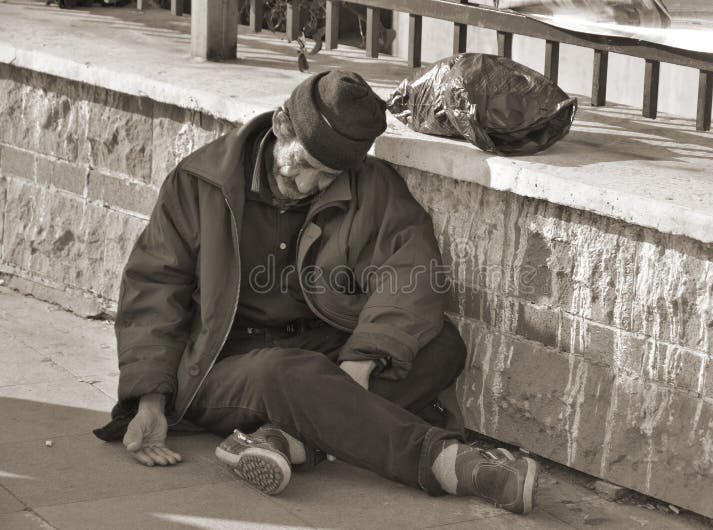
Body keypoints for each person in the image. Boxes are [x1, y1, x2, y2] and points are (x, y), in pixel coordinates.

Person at [94, 70, 539, 514]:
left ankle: (288, 440)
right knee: (287, 372)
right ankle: (447, 463)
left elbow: (413, 271)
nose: (307, 185)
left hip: (322, 341)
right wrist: (150, 399)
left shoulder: (371, 184)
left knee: (440, 345)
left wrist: (365, 356)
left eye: (327, 177)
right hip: (221, 363)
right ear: (281, 126)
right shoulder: (200, 183)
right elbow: (154, 289)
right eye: (304, 164)